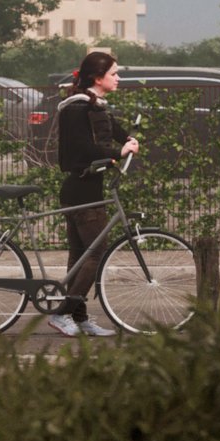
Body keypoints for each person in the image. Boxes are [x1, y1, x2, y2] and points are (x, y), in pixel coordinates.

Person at [50, 47, 139, 336]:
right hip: (82, 190)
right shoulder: (77, 107)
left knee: (80, 256)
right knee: (96, 253)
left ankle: (79, 318)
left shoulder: (92, 105)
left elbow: (110, 127)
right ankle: (62, 314)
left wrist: (129, 139)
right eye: (114, 73)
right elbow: (83, 148)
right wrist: (117, 153)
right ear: (98, 77)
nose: (118, 78)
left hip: (85, 188)